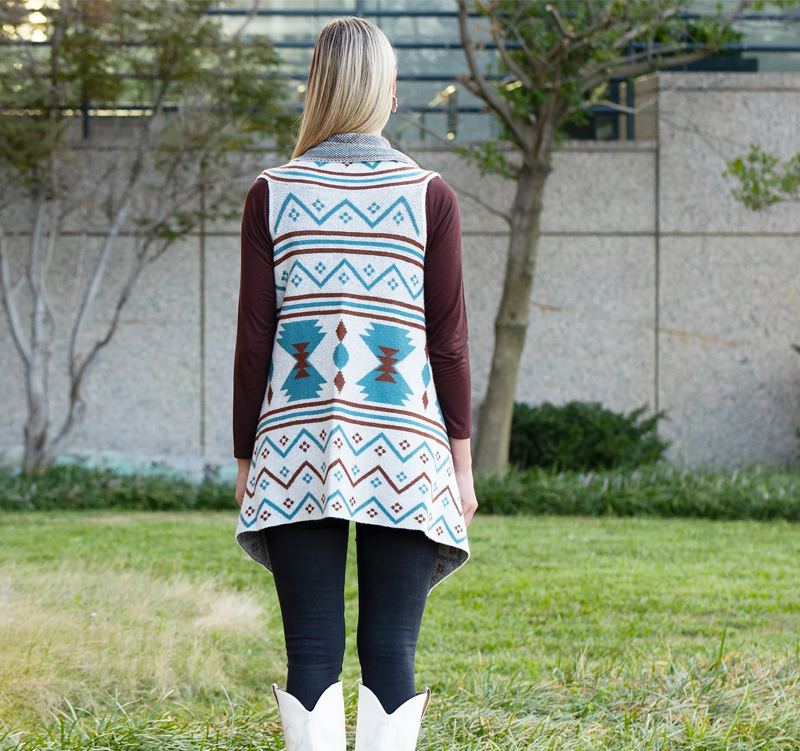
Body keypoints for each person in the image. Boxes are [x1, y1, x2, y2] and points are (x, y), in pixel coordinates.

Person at [232, 16, 478, 751]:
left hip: (295, 440)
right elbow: (449, 342)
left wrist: (248, 458)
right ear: (387, 91)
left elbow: (254, 342)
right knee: (390, 655)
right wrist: (461, 465)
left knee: (310, 652)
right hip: (404, 443)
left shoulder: (271, 193)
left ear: (319, 90)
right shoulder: (429, 195)